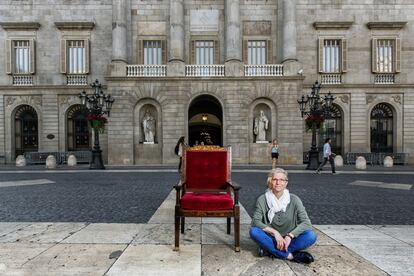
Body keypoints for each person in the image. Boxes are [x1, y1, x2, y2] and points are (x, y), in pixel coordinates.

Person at [249, 168, 317, 264]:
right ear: (270, 182)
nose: (278, 182)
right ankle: (291, 256)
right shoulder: (262, 199)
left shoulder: (294, 199)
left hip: (290, 239)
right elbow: (255, 222)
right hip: (271, 238)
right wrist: (275, 233)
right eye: (275, 179)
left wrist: (290, 236)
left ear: (286, 183)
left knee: (311, 236)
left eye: (282, 180)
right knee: (254, 232)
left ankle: (270, 250)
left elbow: (306, 223)